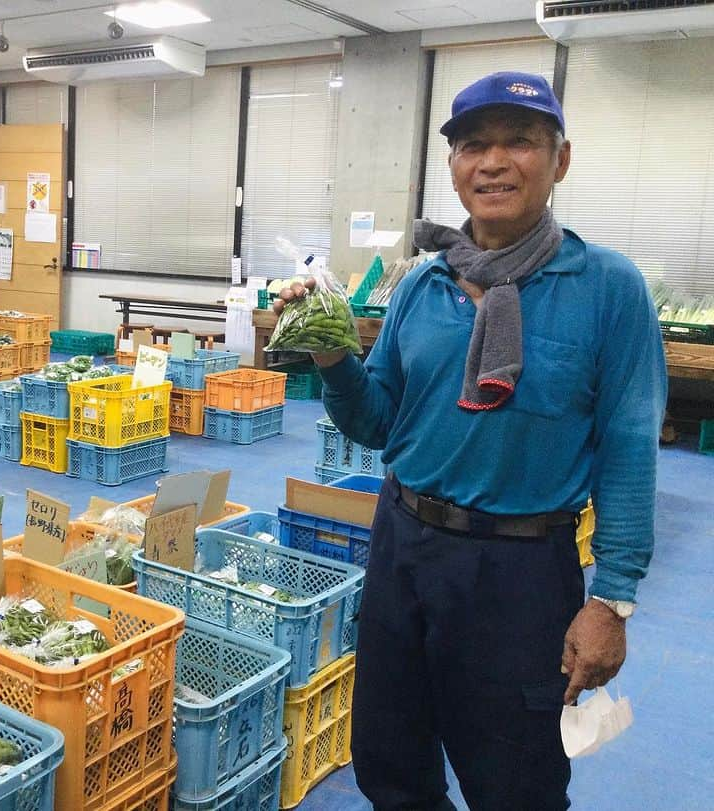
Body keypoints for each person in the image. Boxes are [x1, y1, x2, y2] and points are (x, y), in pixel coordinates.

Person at [274, 72, 666, 810]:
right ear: (453, 167)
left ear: (561, 159)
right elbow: (378, 423)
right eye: (472, 145)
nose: (492, 162)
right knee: (389, 760)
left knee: (515, 782)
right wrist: (329, 349)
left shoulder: (607, 288)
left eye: (519, 141)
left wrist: (612, 601)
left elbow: (629, 445)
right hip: (402, 546)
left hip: (519, 573)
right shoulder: (424, 287)